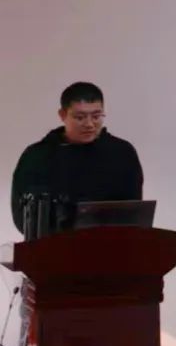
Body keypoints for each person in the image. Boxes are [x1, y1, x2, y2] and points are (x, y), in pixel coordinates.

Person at [10, 82, 143, 233]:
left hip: (110, 242)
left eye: (96, 116)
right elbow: (22, 215)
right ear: (62, 115)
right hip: (52, 243)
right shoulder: (37, 156)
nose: (89, 124)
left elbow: (133, 210)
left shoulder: (122, 153)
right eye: (80, 117)